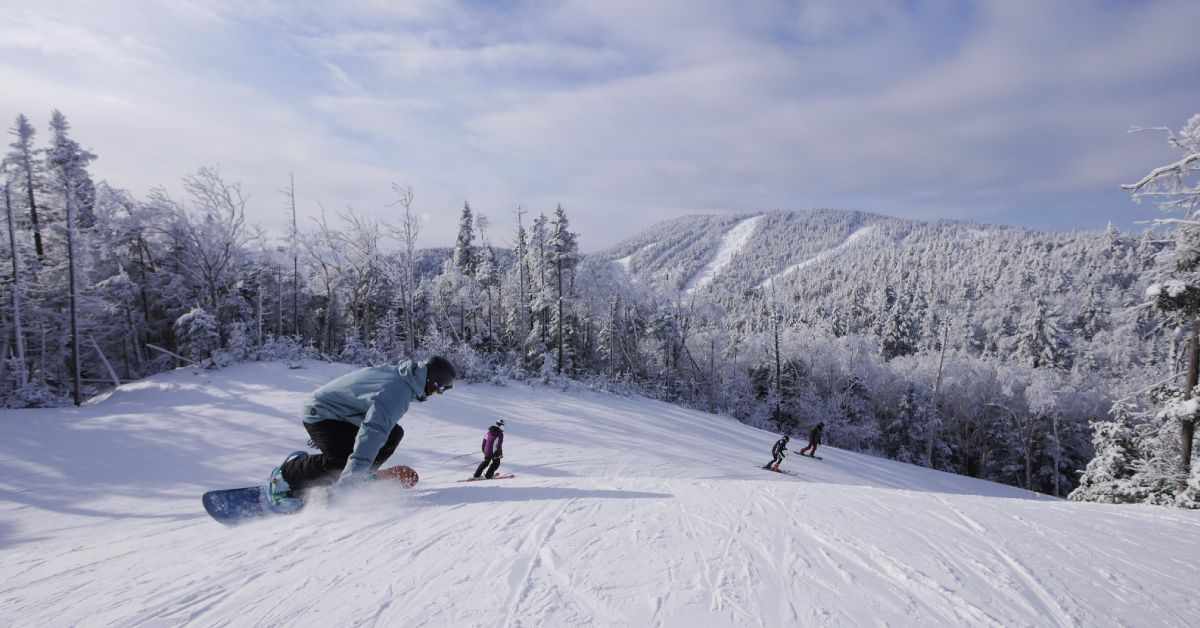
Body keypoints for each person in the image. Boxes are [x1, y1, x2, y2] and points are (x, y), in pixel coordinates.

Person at [267, 355, 456, 509]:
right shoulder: (398, 392)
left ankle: (360, 475)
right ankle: (284, 477)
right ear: (430, 380)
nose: (434, 394)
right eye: (438, 388)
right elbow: (372, 433)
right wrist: (347, 486)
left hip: (342, 415)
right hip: (321, 411)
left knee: (393, 434)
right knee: (340, 461)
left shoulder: (403, 378)